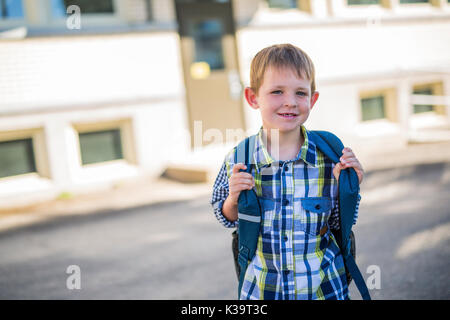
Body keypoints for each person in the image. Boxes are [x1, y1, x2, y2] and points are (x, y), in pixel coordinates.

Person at [210, 43, 364, 300]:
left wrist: (350, 188)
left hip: (324, 290)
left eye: (300, 93)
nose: (290, 102)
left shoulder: (330, 157)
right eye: (277, 91)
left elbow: (340, 222)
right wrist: (233, 198)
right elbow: (226, 217)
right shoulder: (240, 158)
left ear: (312, 99)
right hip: (263, 290)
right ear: (252, 98)